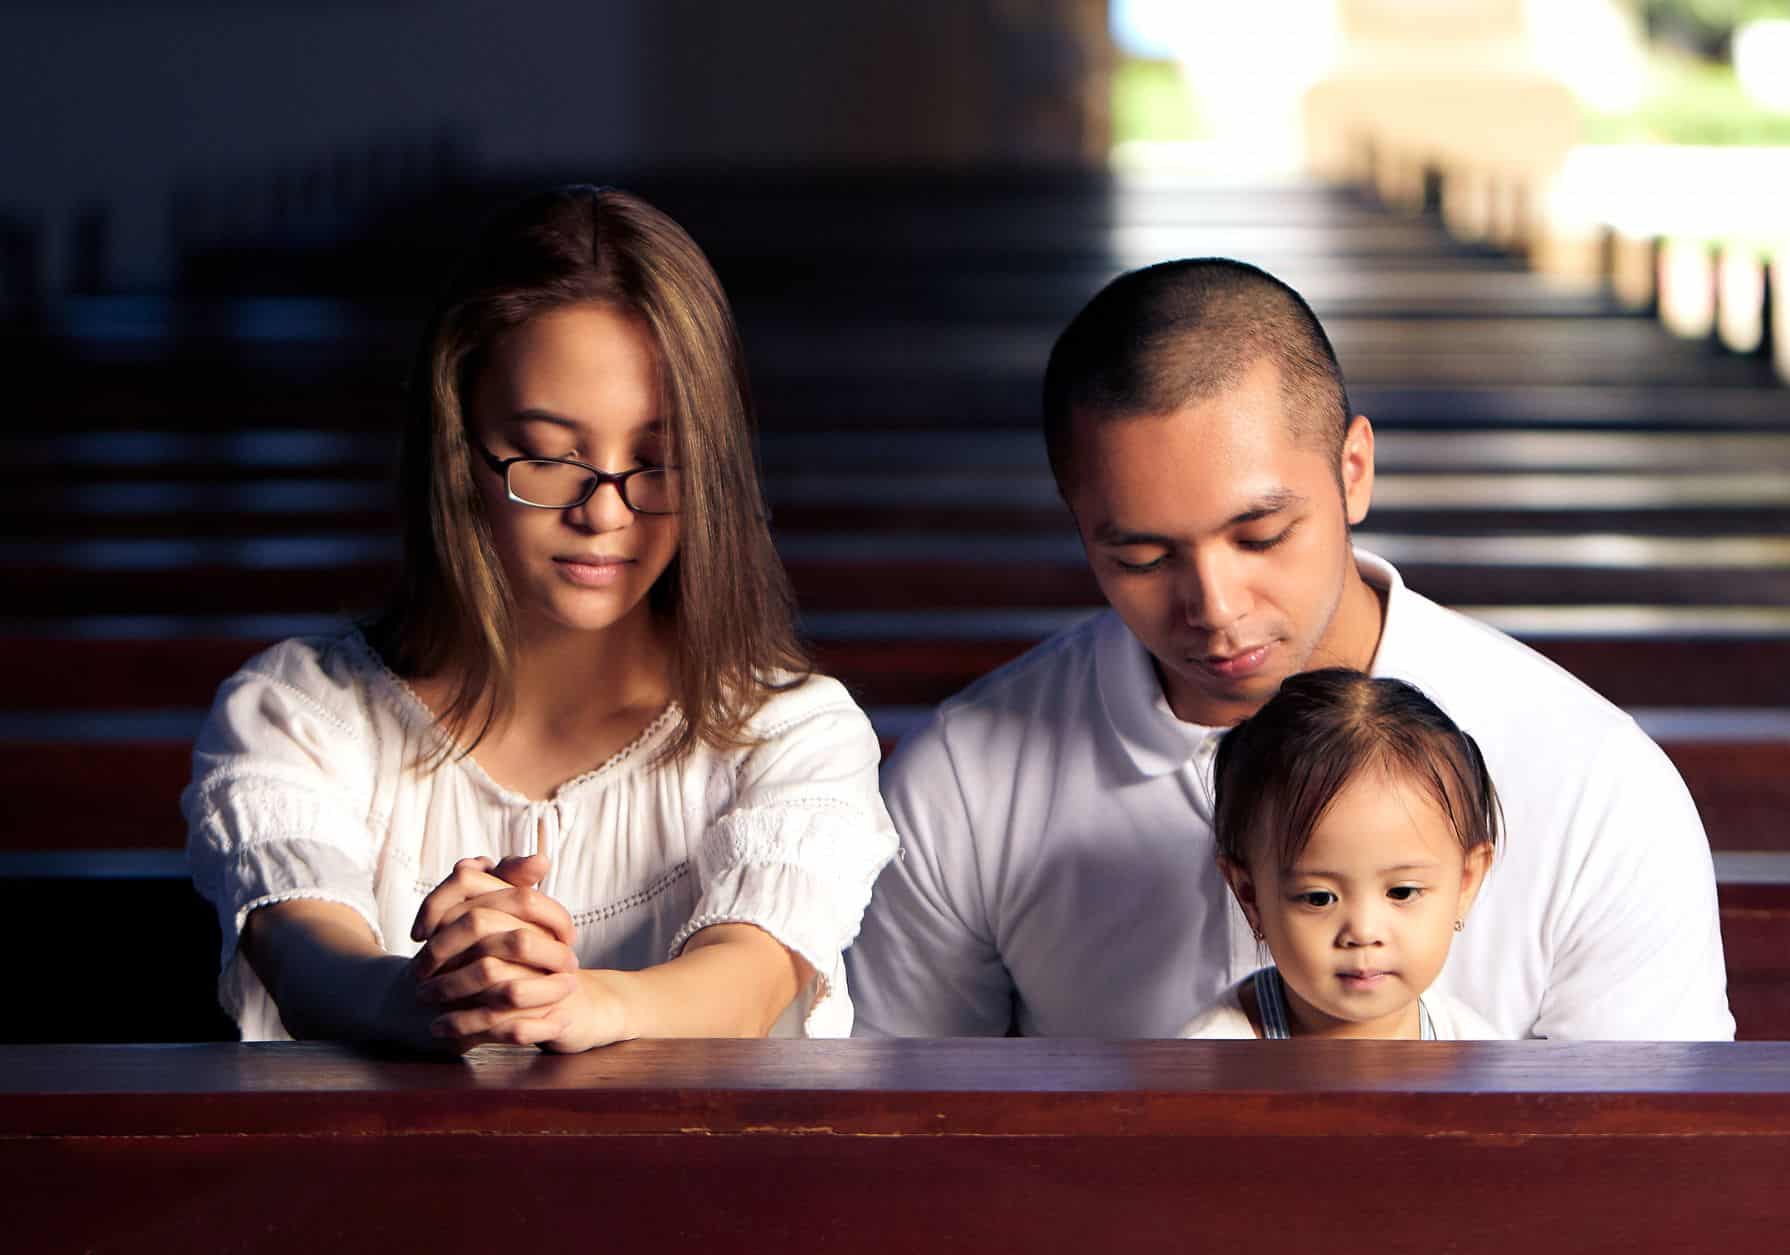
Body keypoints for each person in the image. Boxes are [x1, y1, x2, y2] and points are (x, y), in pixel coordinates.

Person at [847, 257, 1733, 1041]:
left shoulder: (1591, 779)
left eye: (1261, 534)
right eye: (1142, 557)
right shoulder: (963, 782)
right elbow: (896, 1139)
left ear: (1353, 472)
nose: (1216, 608)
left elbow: (1649, 1171)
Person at [185, 185, 898, 1052]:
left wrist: (580, 1003)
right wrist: (428, 992)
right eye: (553, 456)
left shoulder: (792, 732)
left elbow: (750, 977)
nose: (604, 512)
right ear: (460, 450)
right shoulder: (299, 715)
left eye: (658, 459)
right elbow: (306, 960)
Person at [1179, 668, 1504, 1040]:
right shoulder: (1211, 1064)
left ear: (1465, 883)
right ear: (1250, 894)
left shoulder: (1476, 1050)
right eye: (1319, 898)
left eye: (1402, 892)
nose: (1363, 933)